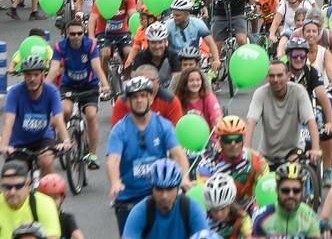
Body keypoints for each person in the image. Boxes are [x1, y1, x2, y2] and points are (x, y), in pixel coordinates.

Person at [106, 77, 191, 234]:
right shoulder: (120, 130)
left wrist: (184, 177)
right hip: (128, 198)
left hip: (157, 195)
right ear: (128, 101)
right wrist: (115, 181)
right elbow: (113, 159)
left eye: (143, 96)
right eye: (134, 97)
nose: (139, 100)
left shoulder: (163, 125)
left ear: (150, 99)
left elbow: (178, 154)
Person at [46, 19, 110, 170]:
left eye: (79, 33)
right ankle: (62, 139)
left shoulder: (90, 45)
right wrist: (44, 86)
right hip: (69, 85)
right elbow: (54, 69)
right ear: (67, 34)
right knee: (65, 110)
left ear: (84, 33)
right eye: (72, 34)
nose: (76, 37)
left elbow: (96, 66)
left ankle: (92, 155)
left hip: (89, 86)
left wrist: (105, 84)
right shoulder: (60, 47)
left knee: (91, 115)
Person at [0, 56, 70, 176]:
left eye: (36, 74)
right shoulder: (15, 93)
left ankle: (49, 193)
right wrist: (4, 146)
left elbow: (58, 118)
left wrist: (66, 140)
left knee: (46, 162)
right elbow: (8, 122)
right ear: (24, 76)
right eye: (28, 75)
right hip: (18, 142)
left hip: (43, 139)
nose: (32, 79)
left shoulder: (52, 92)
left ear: (43, 75)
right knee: (12, 176)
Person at [245, 61, 321, 165]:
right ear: (267, 77)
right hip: (266, 154)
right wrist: (246, 150)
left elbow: (311, 121)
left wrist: (315, 149)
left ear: (288, 76)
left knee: (292, 174)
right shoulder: (260, 93)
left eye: (280, 75)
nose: (275, 80)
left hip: (293, 151)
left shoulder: (299, 91)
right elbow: (251, 122)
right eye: (272, 76)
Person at [285, 37, 332, 180]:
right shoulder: (282, 72)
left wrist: (329, 122)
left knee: (327, 133)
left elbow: (322, 96)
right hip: (286, 113)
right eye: (295, 55)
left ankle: (326, 170)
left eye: (302, 55)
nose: (299, 59)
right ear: (289, 56)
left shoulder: (311, 72)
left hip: (308, 112)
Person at [197, 116, 269, 213]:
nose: (233, 144)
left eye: (237, 139)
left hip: (250, 209)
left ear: (243, 141)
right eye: (228, 140)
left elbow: (265, 191)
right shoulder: (207, 164)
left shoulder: (257, 161)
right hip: (219, 211)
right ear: (220, 142)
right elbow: (205, 196)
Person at [123, 159, 207, 239]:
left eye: (169, 188)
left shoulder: (190, 208)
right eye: (159, 189)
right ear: (152, 189)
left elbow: (206, 236)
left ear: (178, 188)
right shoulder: (140, 211)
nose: (164, 195)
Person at [251, 162, 321, 238]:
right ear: (276, 190)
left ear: (303, 192)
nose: (291, 195)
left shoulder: (310, 218)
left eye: (296, 190)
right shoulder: (262, 218)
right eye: (285, 190)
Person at [0, 161, 61, 239]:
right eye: (7, 186)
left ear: (28, 185)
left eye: (18, 186)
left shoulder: (45, 204)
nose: (12, 192)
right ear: (1, 187)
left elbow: (53, 237)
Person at [166, 0, 220, 71]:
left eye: (178, 15)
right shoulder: (168, 25)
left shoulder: (198, 24)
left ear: (187, 14)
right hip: (174, 62)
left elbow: (211, 43)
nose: (175, 18)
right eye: (174, 15)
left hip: (193, 61)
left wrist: (216, 60)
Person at [132, 23, 182, 90]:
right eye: (153, 43)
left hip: (169, 91)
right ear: (148, 43)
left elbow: (177, 80)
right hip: (146, 91)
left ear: (165, 42)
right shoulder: (140, 57)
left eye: (160, 42)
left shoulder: (173, 55)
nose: (157, 46)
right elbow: (134, 79)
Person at [202, 172, 252, 239]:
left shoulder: (243, 217)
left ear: (230, 204)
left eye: (223, 208)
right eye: (214, 210)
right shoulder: (203, 219)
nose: (219, 214)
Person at [37, 174, 84, 239]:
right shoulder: (36, 217)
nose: (51, 202)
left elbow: (78, 236)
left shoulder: (66, 218)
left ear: (62, 198)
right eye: (47, 198)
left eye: (55, 198)